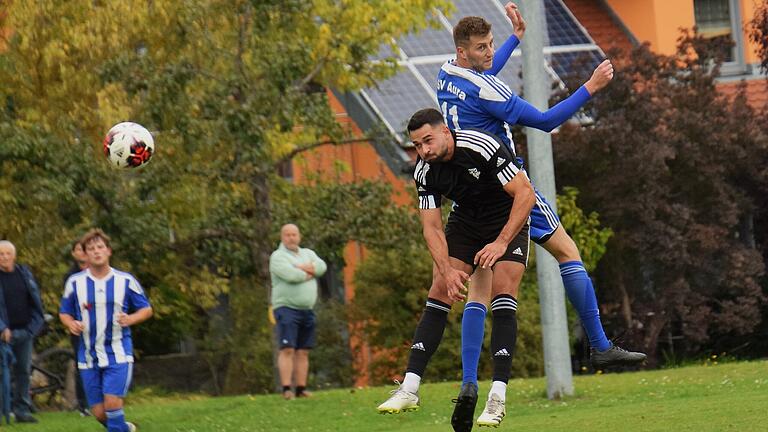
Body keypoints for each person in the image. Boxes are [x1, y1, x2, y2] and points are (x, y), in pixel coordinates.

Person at [439, 5, 645, 384]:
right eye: (482, 48)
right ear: (464, 51)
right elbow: (547, 122)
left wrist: (515, 38)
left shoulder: (446, 75)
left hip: (469, 191)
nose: (489, 52)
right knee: (567, 250)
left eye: (492, 45)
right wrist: (591, 86)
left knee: (479, 288)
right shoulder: (488, 89)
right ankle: (600, 344)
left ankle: (469, 382)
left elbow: (481, 83)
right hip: (507, 185)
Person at [377, 108, 536, 432]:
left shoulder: (481, 145)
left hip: (507, 218)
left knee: (502, 291)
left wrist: (501, 242)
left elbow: (525, 194)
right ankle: (409, 388)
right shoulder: (424, 171)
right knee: (438, 289)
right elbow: (432, 228)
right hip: (466, 221)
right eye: (417, 145)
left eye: (428, 141)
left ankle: (497, 396)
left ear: (446, 132)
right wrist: (446, 271)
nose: (424, 151)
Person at [59, 229, 153, 432]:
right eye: (91, 249)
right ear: (84, 254)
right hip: (88, 355)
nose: (96, 252)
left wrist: (130, 318)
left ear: (108, 251)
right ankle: (124, 429)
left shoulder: (125, 281)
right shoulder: (75, 283)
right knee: (100, 413)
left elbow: (146, 309)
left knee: (112, 404)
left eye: (100, 247)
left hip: (118, 352)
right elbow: (64, 312)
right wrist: (71, 324)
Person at [269, 224, 327, 400]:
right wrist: (309, 271)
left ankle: (301, 389)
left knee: (303, 351)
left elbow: (322, 267)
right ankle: (287, 389)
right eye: (287, 235)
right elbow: (291, 276)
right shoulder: (277, 257)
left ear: (299, 236)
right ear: (282, 237)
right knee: (287, 349)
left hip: (307, 310)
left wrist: (301, 267)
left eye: (294, 234)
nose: (291, 238)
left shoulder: (308, 253)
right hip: (286, 308)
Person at [0, 240, 45, 424]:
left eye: (7, 253)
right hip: (4, 334)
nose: (4, 257)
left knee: (23, 372)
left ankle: (22, 410)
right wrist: (2, 328)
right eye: (0, 254)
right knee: (3, 373)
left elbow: (35, 302)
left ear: (14, 255)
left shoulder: (24, 274)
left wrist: (33, 327)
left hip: (25, 331)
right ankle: (4, 410)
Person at [63, 240, 91, 416]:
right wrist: (71, 322)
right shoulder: (70, 277)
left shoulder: (98, 272)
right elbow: (67, 305)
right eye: (78, 250)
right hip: (79, 327)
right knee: (82, 365)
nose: (82, 253)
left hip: (99, 327)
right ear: (74, 253)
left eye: (84, 249)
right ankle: (84, 404)